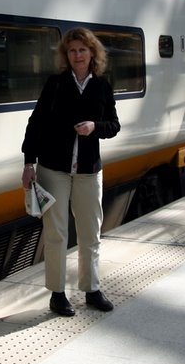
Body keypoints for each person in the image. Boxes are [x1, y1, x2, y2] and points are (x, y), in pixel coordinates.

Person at [21, 27, 120, 317]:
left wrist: (94, 128)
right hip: (54, 168)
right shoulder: (55, 84)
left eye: (82, 50)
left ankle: (91, 289)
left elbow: (114, 125)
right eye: (72, 50)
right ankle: (57, 294)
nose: (77, 55)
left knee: (91, 232)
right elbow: (36, 123)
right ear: (67, 55)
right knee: (56, 233)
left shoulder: (102, 86)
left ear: (93, 53)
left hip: (89, 171)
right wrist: (29, 162)